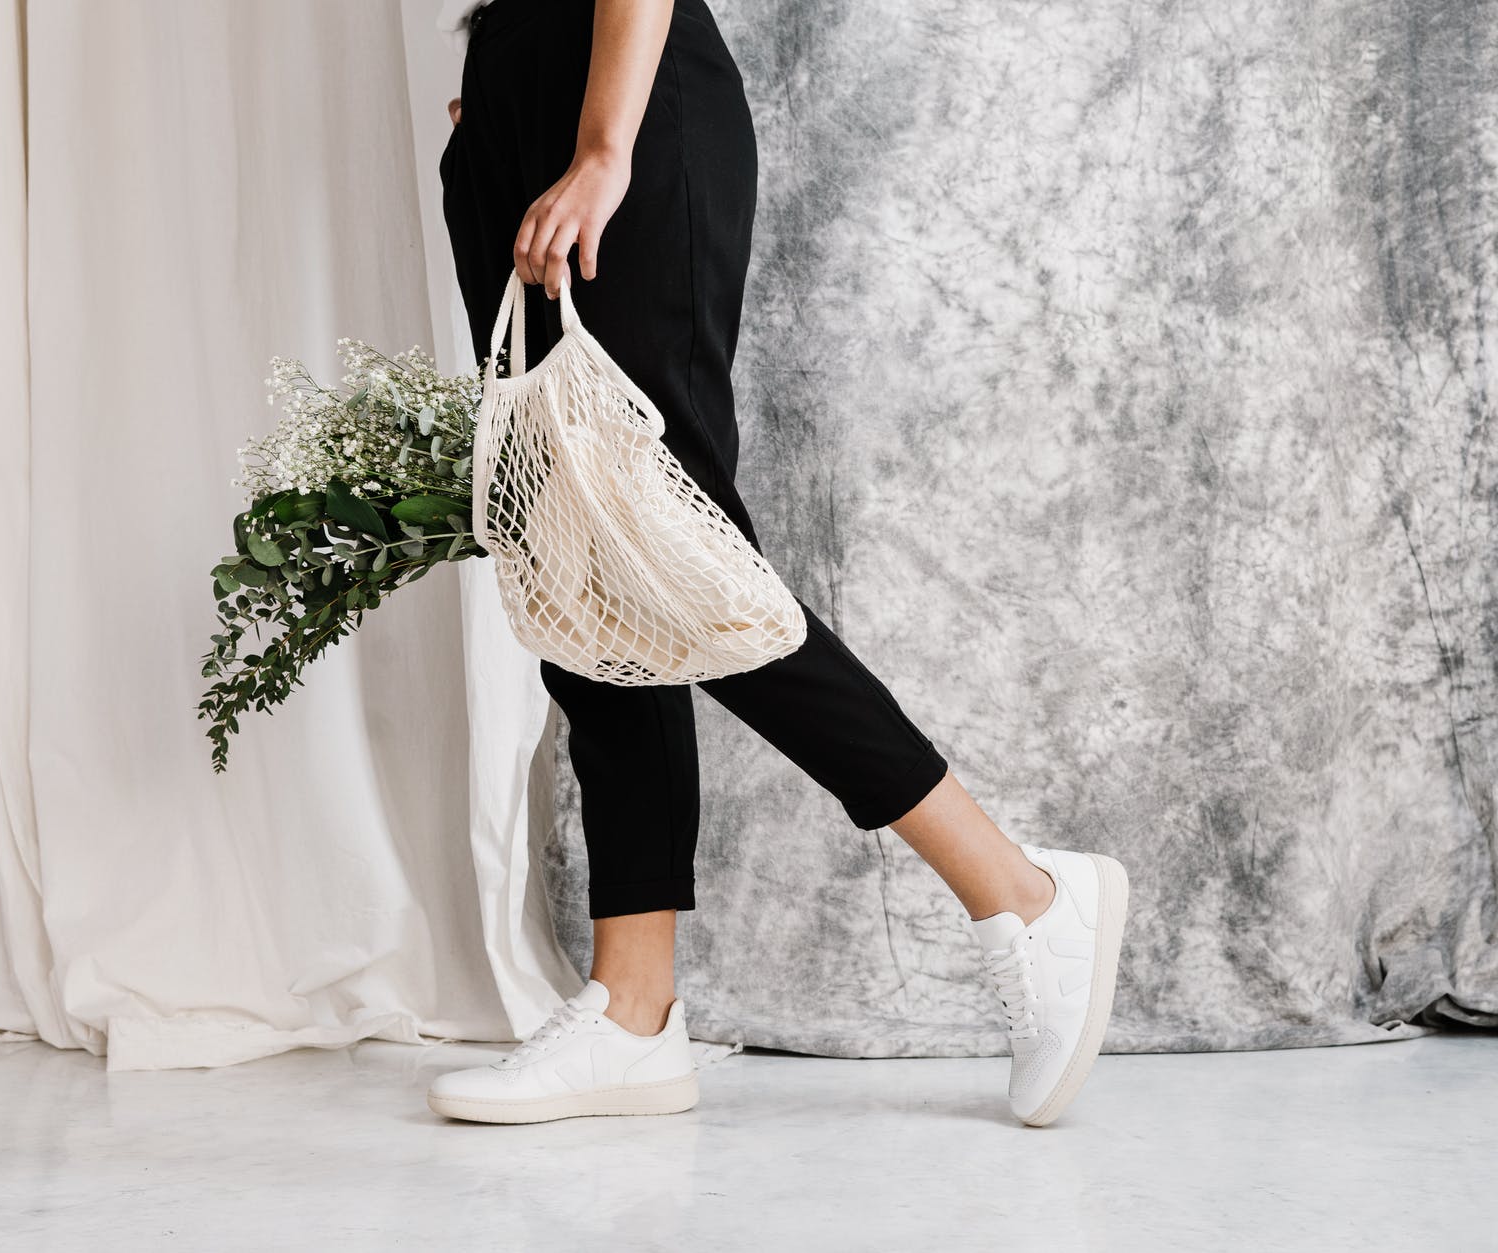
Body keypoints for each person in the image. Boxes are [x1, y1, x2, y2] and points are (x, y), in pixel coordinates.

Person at [429, 0, 1129, 1128]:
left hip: (620, 99)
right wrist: (495, 93)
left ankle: (1017, 890)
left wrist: (601, 142)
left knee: (674, 552)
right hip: (517, 95)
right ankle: (632, 1009)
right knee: (583, 564)